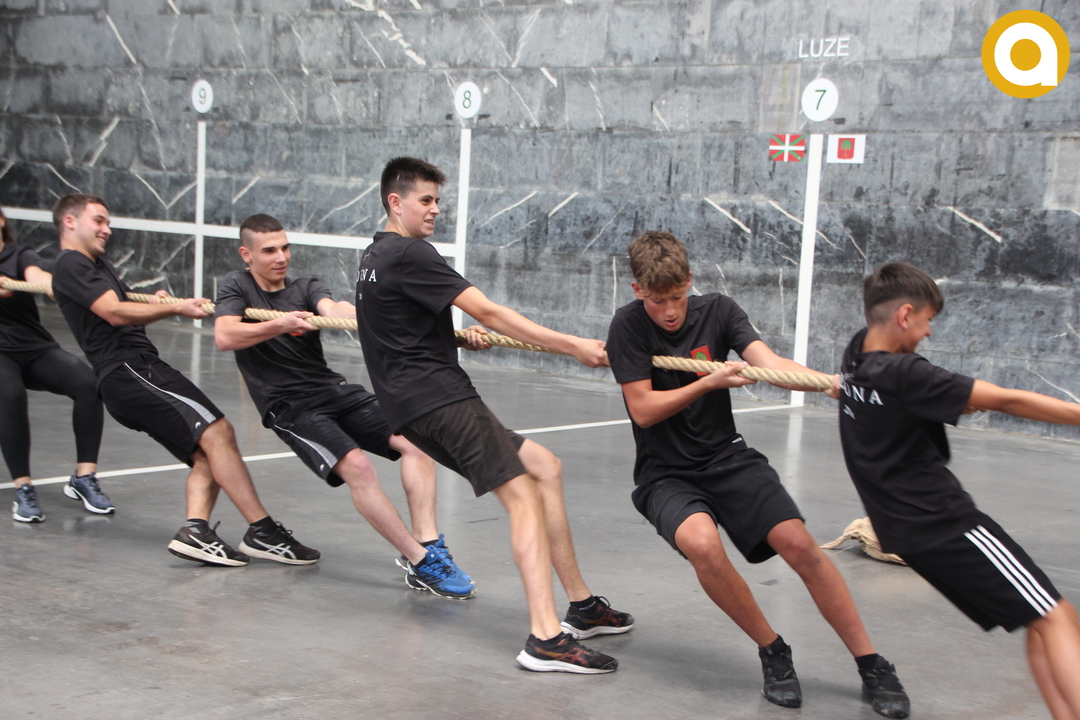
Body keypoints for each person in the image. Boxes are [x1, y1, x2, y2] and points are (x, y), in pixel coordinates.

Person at [605, 231, 909, 717]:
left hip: (727, 458)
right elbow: (643, 409)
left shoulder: (720, 311)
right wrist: (710, 382)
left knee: (800, 544)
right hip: (665, 474)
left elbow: (769, 363)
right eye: (657, 300)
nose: (669, 311)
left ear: (689, 280)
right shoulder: (628, 325)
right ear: (638, 289)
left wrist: (829, 384)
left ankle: (871, 662)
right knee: (703, 545)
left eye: (677, 297)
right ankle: (773, 650)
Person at [355, 157, 632, 674]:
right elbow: (489, 311)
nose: (435, 209)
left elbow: (395, 329)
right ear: (396, 201)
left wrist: (451, 338)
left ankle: (581, 605)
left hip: (413, 408)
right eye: (425, 200)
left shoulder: (374, 255)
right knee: (523, 495)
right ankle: (546, 638)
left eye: (438, 200)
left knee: (544, 465)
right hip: (440, 401)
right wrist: (572, 345)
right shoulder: (412, 252)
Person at [837, 261, 1080, 720]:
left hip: (905, 531)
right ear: (905, 315)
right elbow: (1008, 400)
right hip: (946, 523)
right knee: (1058, 617)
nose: (929, 331)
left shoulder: (856, 356)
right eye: (928, 320)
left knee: (1038, 621)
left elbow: (895, 394)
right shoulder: (907, 373)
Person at [49, 194, 318, 568]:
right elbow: (112, 313)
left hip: (131, 371)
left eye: (107, 222)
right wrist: (176, 307)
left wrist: (154, 306)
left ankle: (196, 531)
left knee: (208, 453)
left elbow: (114, 314)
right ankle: (263, 531)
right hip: (130, 370)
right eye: (99, 221)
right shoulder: (72, 263)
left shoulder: (94, 264)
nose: (106, 229)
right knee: (219, 432)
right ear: (69, 222)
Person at [213, 213, 473, 597]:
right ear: (246, 254)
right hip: (290, 407)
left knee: (416, 442)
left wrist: (423, 327)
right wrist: (279, 324)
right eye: (269, 251)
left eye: (285, 248)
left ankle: (429, 542)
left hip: (334, 391)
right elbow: (224, 335)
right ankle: (421, 562)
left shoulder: (305, 287)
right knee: (358, 467)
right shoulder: (238, 285)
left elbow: (334, 309)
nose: (281, 257)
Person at [0, 206, 111, 522]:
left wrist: (55, 284)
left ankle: (84, 478)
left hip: (35, 347)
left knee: (89, 385)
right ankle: (23, 488)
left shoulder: (19, 255)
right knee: (10, 396)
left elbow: (38, 277)